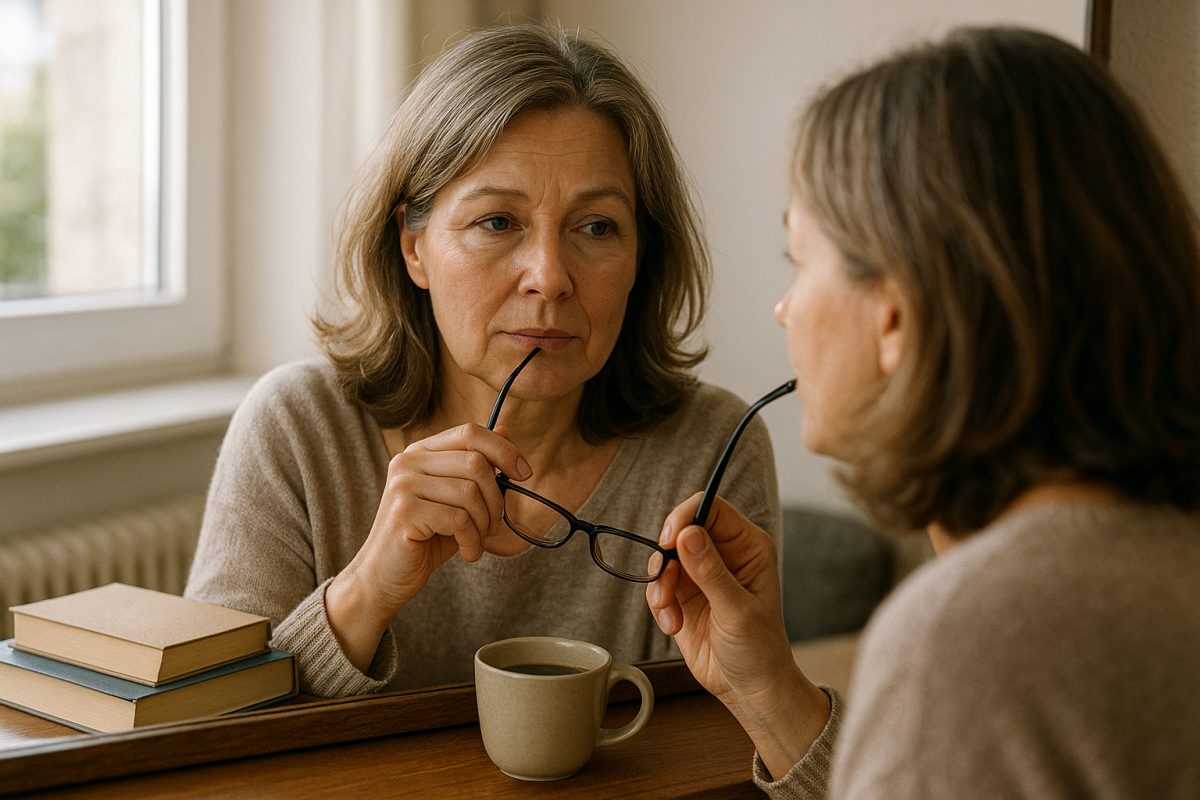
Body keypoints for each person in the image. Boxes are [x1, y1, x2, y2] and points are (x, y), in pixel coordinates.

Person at [647, 26, 1200, 798]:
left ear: (898, 317)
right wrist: (766, 686)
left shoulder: (970, 636)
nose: (783, 308)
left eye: (799, 262)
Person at [183, 24, 780, 697]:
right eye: (497, 222)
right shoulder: (297, 430)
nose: (549, 278)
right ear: (413, 247)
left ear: (642, 255)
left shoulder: (711, 450)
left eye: (597, 227)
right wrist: (366, 591)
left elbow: (729, 753)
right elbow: (200, 737)